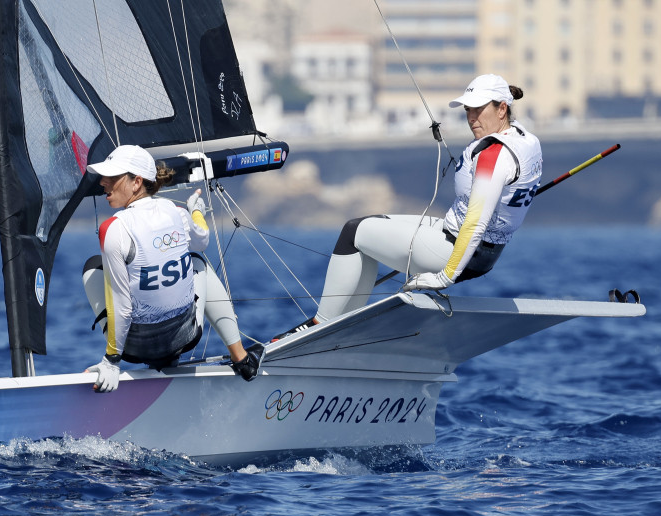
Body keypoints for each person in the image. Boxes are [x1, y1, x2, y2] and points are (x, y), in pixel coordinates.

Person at [292, 74, 543, 331]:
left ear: (502, 108)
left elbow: (475, 225)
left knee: (353, 232)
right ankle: (345, 322)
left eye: (479, 109)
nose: (471, 118)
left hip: (458, 252)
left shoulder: (493, 156)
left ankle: (319, 325)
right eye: (468, 109)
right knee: (372, 225)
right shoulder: (526, 140)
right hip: (480, 251)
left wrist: (443, 278)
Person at [81, 144, 263, 392]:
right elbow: (203, 240)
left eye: (112, 177)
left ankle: (141, 360)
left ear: (136, 182)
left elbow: (121, 306)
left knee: (92, 267)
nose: (103, 182)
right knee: (197, 261)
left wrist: (112, 361)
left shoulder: (112, 229)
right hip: (186, 337)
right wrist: (195, 211)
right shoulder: (177, 212)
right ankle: (242, 359)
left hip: (135, 350)